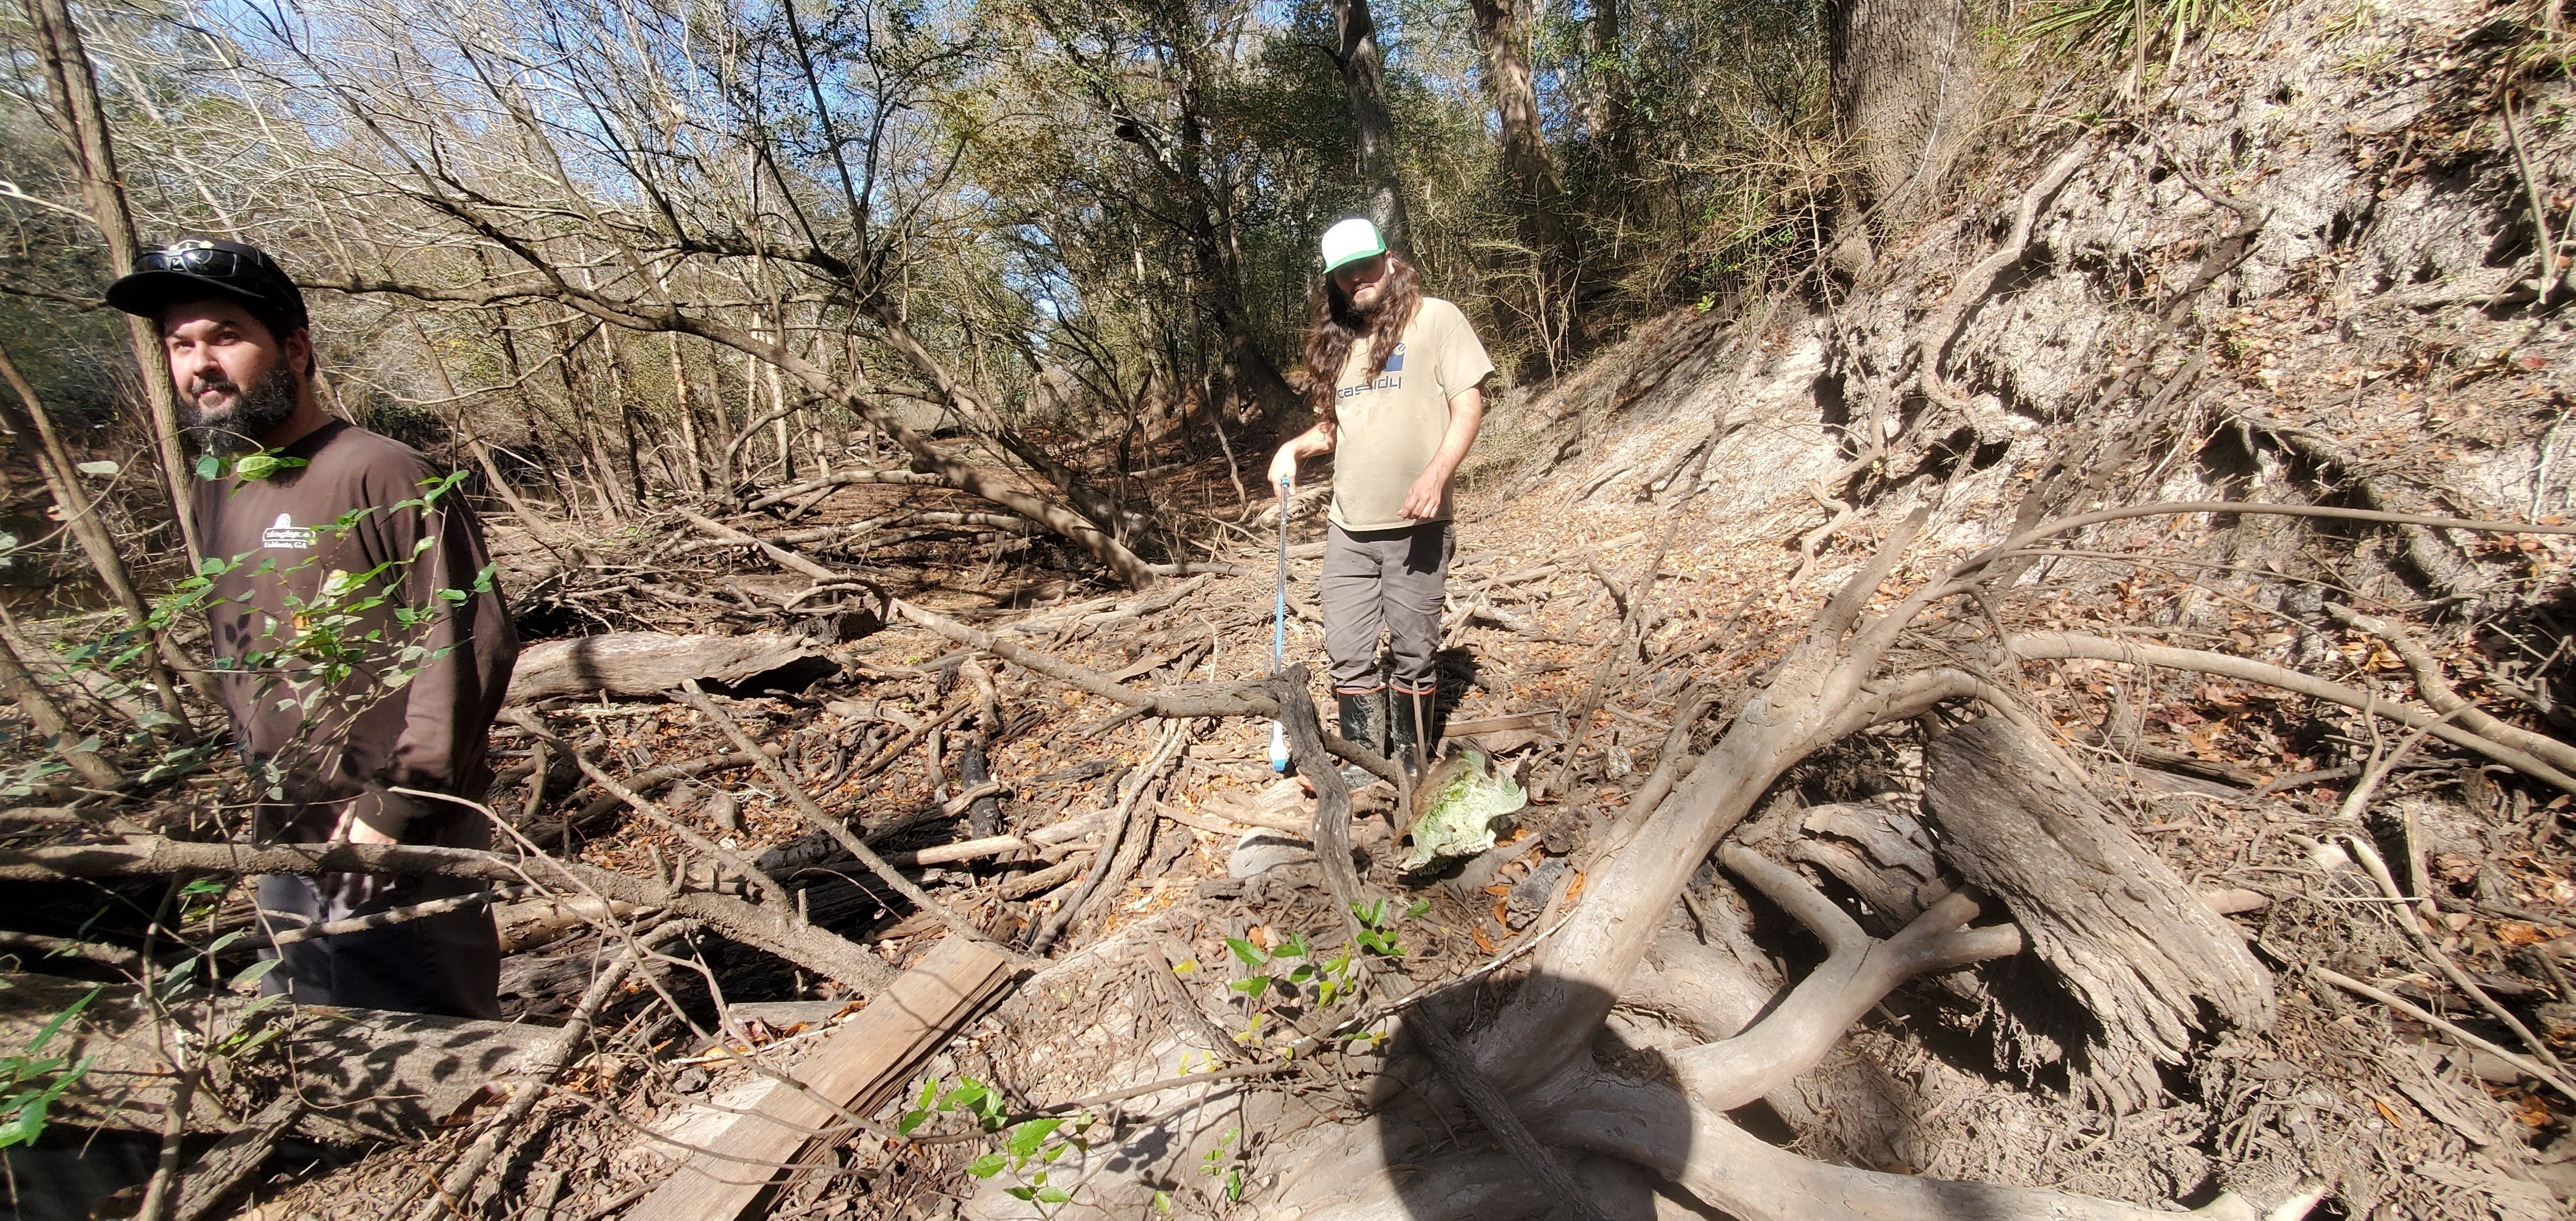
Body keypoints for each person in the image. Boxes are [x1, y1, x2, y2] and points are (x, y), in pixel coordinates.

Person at [109, 238, 518, 1019]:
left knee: (434, 1056)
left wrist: (395, 808)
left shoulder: (383, 471)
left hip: (391, 831)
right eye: (180, 345)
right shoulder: (222, 484)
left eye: (226, 337)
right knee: (315, 1037)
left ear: (295, 347)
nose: (201, 365)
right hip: (284, 825)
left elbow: (467, 641)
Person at [1268, 218, 1493, 775]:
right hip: (1349, 529)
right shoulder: (1337, 341)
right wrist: (1293, 449)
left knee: (1414, 655)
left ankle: (1410, 766)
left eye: (1365, 265)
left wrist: (1436, 475)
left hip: (1418, 527)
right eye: (1344, 273)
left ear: (1389, 259)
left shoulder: (1436, 319)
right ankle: (1368, 764)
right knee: (1347, 651)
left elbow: (1470, 405)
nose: (1357, 278)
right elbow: (1335, 427)